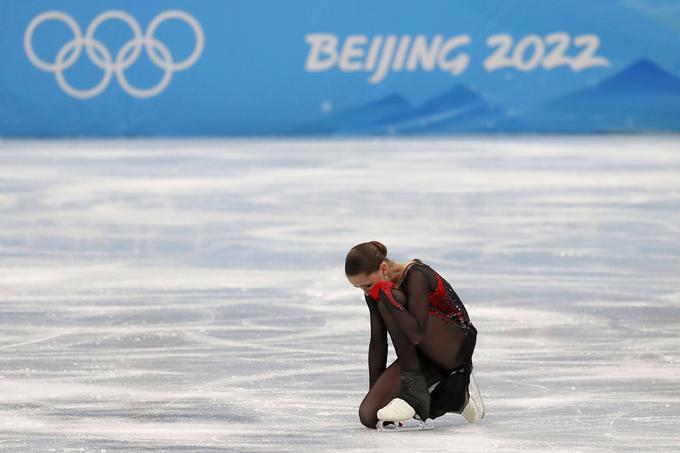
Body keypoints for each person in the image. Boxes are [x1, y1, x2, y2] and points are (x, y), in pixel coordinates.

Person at [345, 240, 484, 429]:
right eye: (359, 287)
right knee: (369, 415)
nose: (366, 292)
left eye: (366, 285)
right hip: (422, 354)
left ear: (383, 267)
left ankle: (417, 387)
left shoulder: (416, 274)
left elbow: (417, 333)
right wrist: (375, 392)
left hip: (455, 346)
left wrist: (385, 295)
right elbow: (378, 342)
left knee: (389, 296)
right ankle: (459, 397)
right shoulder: (375, 290)